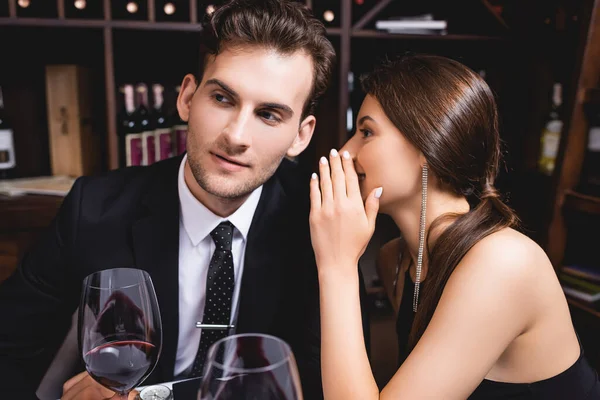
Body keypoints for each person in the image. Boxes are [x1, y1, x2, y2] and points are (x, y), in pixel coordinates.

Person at [0, 1, 370, 399]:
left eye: (268, 115)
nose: (236, 136)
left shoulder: (320, 228)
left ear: (301, 134)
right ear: (188, 98)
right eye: (223, 99)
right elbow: (9, 348)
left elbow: (322, 385)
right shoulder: (92, 209)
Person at [309, 54, 600, 399]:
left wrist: (337, 266)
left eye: (366, 132)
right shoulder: (396, 260)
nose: (344, 151)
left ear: (428, 145)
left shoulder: (503, 262)